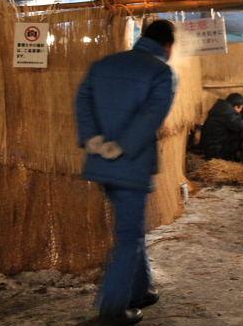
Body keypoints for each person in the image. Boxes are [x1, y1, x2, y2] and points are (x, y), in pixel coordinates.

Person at [75, 19, 176, 326]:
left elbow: (83, 100)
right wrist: (122, 146)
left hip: (100, 164)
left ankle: (140, 290)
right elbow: (151, 117)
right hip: (131, 165)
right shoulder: (161, 72)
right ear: (168, 46)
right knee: (129, 237)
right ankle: (113, 308)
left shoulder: (104, 64)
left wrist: (93, 139)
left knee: (132, 228)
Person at [199, 93, 243, 161]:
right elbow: (240, 126)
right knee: (239, 135)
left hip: (209, 146)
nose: (240, 111)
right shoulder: (228, 112)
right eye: (241, 108)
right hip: (216, 150)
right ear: (236, 107)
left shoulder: (220, 108)